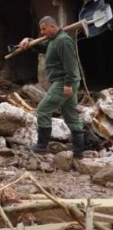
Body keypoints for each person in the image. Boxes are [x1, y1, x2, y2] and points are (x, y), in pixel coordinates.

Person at [18, 16, 84, 159]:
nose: (42, 32)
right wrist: (28, 41)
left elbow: (71, 66)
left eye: (44, 29)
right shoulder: (54, 40)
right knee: (71, 115)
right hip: (65, 82)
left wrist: (68, 85)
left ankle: (41, 146)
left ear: (53, 27)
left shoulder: (64, 41)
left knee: (43, 110)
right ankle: (79, 152)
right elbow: (42, 47)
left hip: (63, 82)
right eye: (41, 29)